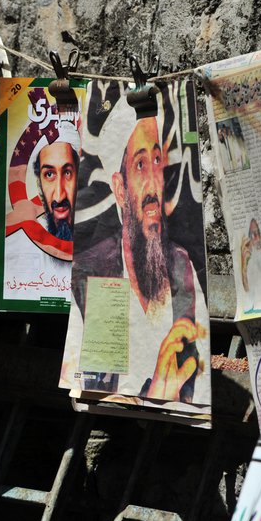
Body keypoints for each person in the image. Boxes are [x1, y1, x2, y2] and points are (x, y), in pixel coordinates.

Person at [73, 115, 207, 403]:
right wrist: (153, 393)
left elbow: (194, 375)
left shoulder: (180, 265)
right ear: (120, 189)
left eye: (157, 161)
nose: (152, 185)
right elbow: (99, 390)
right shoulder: (97, 271)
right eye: (140, 164)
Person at [3, 113, 79, 299]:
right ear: (39, 184)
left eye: (68, 173)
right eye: (49, 175)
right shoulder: (16, 244)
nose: (59, 195)